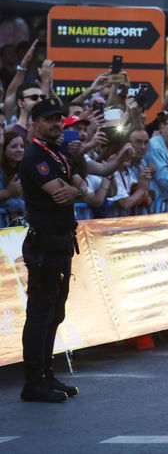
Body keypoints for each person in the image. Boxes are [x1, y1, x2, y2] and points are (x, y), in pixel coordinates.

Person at [19, 98, 90, 403]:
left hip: (62, 241)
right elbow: (61, 195)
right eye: (48, 119)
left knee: (55, 313)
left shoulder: (57, 152)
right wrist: (76, 190)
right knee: (40, 313)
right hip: (44, 244)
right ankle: (33, 381)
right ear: (34, 123)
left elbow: (77, 186)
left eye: (58, 118)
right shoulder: (35, 155)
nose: (55, 123)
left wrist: (75, 189)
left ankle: (47, 374)